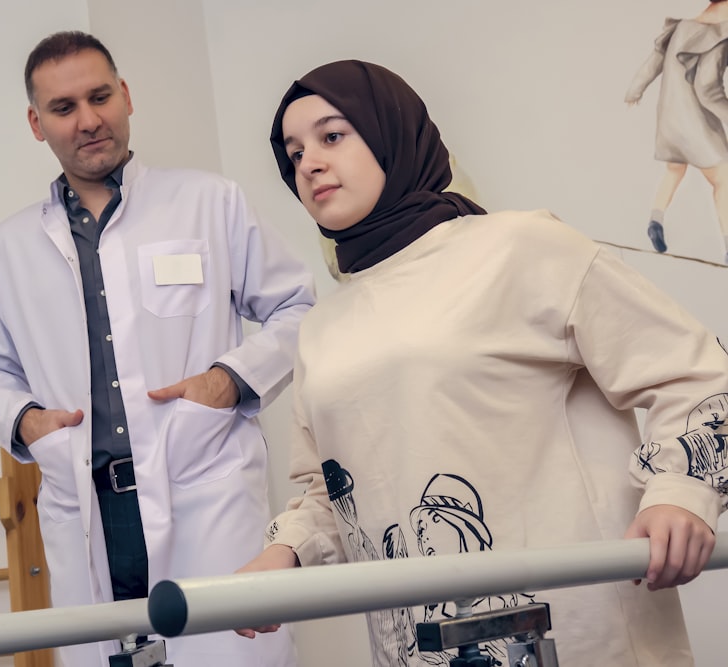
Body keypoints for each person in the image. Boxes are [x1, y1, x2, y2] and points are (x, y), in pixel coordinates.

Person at [239, 59, 728, 666]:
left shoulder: (520, 247)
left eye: (332, 135)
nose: (307, 163)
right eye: (292, 154)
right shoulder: (321, 330)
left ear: (393, 133)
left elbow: (697, 371)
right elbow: (330, 490)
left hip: (578, 634)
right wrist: (282, 553)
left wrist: (680, 492)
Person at [0, 31, 311, 666]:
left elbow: (297, 308)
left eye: (100, 98)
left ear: (125, 96)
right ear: (37, 124)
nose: (89, 120)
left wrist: (228, 379)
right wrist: (27, 423)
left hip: (202, 491)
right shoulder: (8, 248)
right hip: (86, 506)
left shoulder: (209, 202)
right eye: (64, 109)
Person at [626, 0, 728, 264]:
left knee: (674, 170)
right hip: (696, 121)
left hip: (670, 117)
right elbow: (708, 88)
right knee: (723, 179)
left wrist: (635, 89)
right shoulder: (720, 35)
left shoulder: (681, 27)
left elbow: (655, 61)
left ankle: (655, 219)